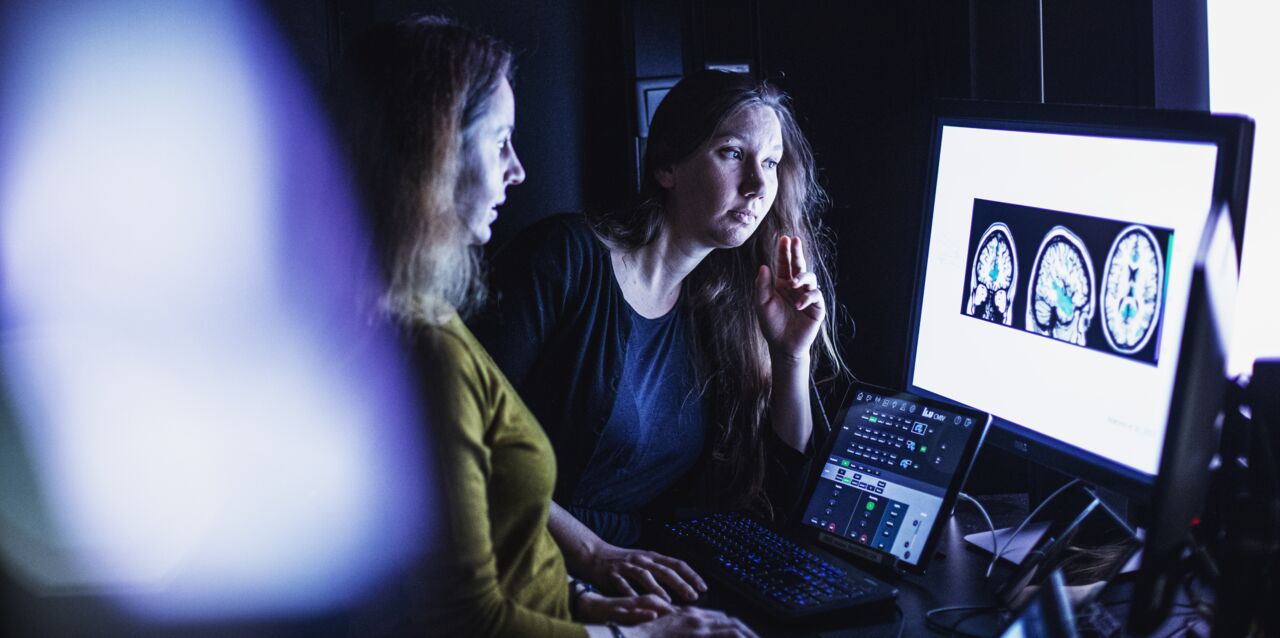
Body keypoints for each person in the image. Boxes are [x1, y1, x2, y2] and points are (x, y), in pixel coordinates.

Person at [342, 15, 758, 638]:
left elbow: (493, 544)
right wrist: (641, 636)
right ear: (437, 151)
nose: (518, 170)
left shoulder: (434, 316)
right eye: (500, 140)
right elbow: (465, 619)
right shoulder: (424, 346)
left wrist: (579, 602)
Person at [472, 70, 847, 601]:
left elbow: (786, 498)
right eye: (732, 154)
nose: (759, 187)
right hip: (518, 568)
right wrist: (593, 555)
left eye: (769, 163)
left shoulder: (718, 313)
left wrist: (791, 357)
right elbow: (460, 447)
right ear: (667, 164)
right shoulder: (563, 258)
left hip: (639, 579)